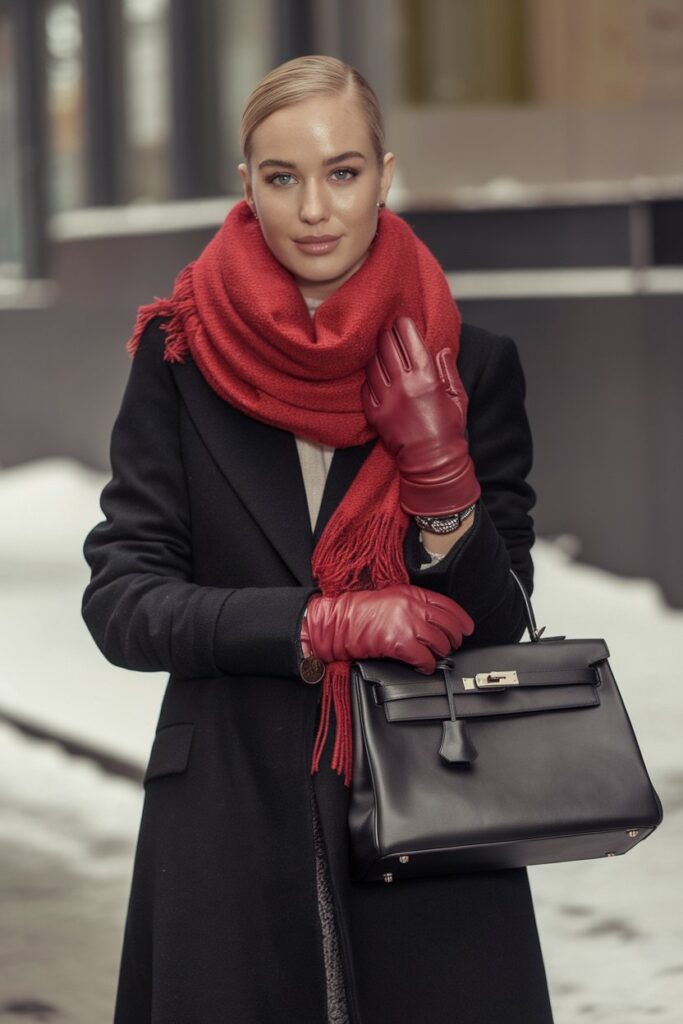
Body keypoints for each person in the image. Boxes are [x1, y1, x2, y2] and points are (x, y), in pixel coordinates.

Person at [82, 55, 554, 1024]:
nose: (313, 208)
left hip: (429, 819)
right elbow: (124, 601)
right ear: (244, 188)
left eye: (341, 172)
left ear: (385, 174)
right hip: (228, 823)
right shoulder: (181, 359)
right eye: (281, 176)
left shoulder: (470, 363)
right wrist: (314, 624)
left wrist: (441, 487)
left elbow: (501, 625)